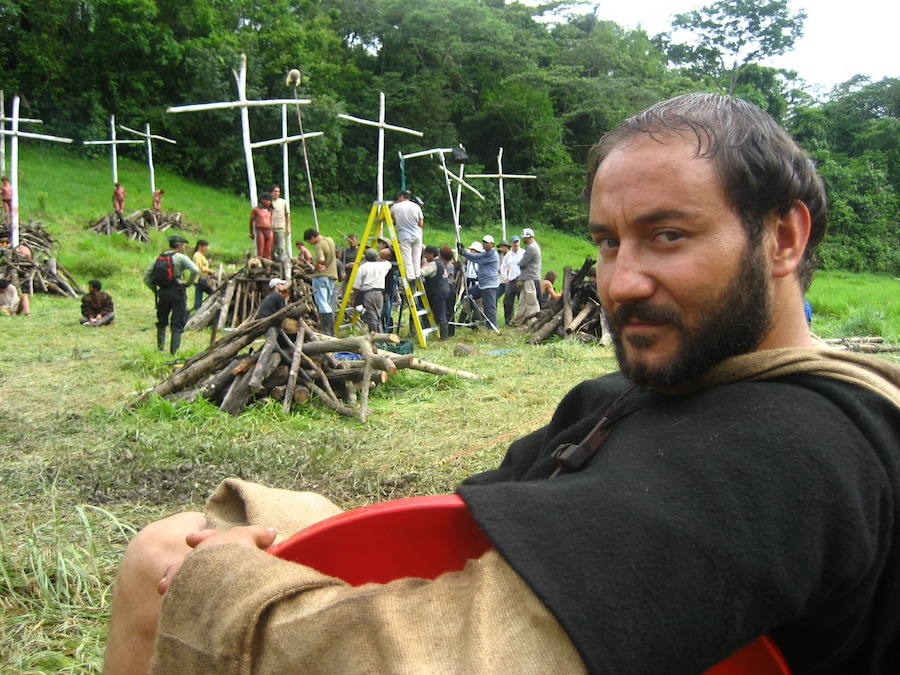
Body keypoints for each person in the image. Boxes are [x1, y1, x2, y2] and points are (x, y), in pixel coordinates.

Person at [104, 93, 900, 675]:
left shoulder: (796, 450)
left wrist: (220, 591)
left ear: (783, 236)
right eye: (609, 243)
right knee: (163, 543)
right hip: (525, 584)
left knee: (174, 569)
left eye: (667, 235)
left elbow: (464, 659)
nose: (620, 282)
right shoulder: (629, 395)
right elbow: (456, 523)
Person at [143, 234, 198, 354]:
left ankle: (160, 348)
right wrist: (188, 283)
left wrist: (156, 291)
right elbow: (195, 270)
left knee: (161, 321)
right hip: (178, 291)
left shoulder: (158, 258)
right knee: (177, 323)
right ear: (181, 246)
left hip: (163, 292)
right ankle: (174, 352)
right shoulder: (181, 257)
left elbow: (146, 278)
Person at [457, 234, 500, 330]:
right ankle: (473, 318)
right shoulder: (485, 253)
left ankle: (492, 328)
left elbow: (476, 258)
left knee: (489, 307)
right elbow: (474, 257)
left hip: (489, 285)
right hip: (482, 284)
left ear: (492, 244)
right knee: (468, 295)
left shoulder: (491, 254)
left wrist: (463, 251)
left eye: (486, 243)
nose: (484, 244)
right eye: (483, 242)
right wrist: (463, 252)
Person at [303, 228, 338, 335]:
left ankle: (326, 331)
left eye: (310, 241)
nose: (311, 244)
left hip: (321, 276)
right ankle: (331, 331)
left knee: (322, 303)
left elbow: (321, 259)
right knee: (328, 303)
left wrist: (316, 265)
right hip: (332, 275)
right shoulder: (330, 240)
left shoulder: (319, 245)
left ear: (313, 238)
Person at [351, 248, 392, 333]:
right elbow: (388, 262)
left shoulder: (362, 268)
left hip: (368, 294)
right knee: (378, 317)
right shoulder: (383, 266)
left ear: (365, 257)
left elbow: (356, 287)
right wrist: (379, 259)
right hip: (379, 294)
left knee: (371, 318)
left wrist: (354, 299)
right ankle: (381, 338)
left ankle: (375, 339)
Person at [389, 189, 424, 282]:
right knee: (416, 258)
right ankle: (417, 275)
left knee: (407, 258)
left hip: (404, 236)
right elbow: (421, 224)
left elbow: (387, 217)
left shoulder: (395, 207)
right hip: (417, 235)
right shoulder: (416, 206)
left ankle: (411, 278)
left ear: (400, 197)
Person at [509, 227, 541, 326]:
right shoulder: (533, 246)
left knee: (531, 301)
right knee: (523, 301)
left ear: (528, 237)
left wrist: (520, 263)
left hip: (530, 277)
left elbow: (523, 262)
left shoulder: (532, 247)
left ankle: (534, 322)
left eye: (524, 237)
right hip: (527, 277)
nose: (523, 239)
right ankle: (517, 321)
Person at [421, 245, 452, 340]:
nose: (425, 256)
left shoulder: (434, 264)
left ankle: (444, 337)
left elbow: (423, 273)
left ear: (431, 254)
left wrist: (412, 271)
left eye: (426, 254)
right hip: (444, 290)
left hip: (438, 291)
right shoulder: (441, 263)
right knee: (441, 312)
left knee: (441, 314)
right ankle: (443, 335)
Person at [500, 235, 524, 324]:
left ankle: (522, 320)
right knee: (507, 301)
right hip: (511, 280)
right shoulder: (508, 255)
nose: (516, 244)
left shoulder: (523, 253)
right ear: (511, 243)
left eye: (517, 242)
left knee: (522, 301)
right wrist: (505, 277)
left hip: (521, 279)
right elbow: (503, 266)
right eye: (514, 242)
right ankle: (508, 320)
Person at [191, 239, 215, 312]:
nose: (207, 248)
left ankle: (198, 309)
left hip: (200, 278)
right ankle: (201, 309)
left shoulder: (200, 255)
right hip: (200, 278)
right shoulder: (197, 255)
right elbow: (199, 268)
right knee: (213, 292)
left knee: (199, 294)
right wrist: (209, 270)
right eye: (206, 246)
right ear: (200, 246)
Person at [379, 247, 399, 333]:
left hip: (386, 291)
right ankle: (384, 328)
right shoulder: (387, 265)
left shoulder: (389, 266)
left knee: (386, 311)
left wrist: (386, 293)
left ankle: (388, 329)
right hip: (384, 290)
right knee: (384, 311)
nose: (379, 259)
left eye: (381, 257)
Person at [249, 194, 274, 261]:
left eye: (270, 201)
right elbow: (251, 222)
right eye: (268, 200)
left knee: (268, 251)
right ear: (262, 200)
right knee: (260, 251)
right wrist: (251, 233)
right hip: (260, 230)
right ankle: (260, 266)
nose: (269, 202)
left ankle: (268, 267)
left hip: (269, 230)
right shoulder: (256, 210)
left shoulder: (270, 210)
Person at [269, 186, 290, 260]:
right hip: (270, 228)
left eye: (278, 191)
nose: (277, 193)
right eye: (275, 191)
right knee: (271, 248)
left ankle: (281, 262)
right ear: (271, 192)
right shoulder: (268, 202)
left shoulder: (283, 202)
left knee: (280, 247)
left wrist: (288, 227)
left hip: (280, 228)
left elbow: (287, 215)